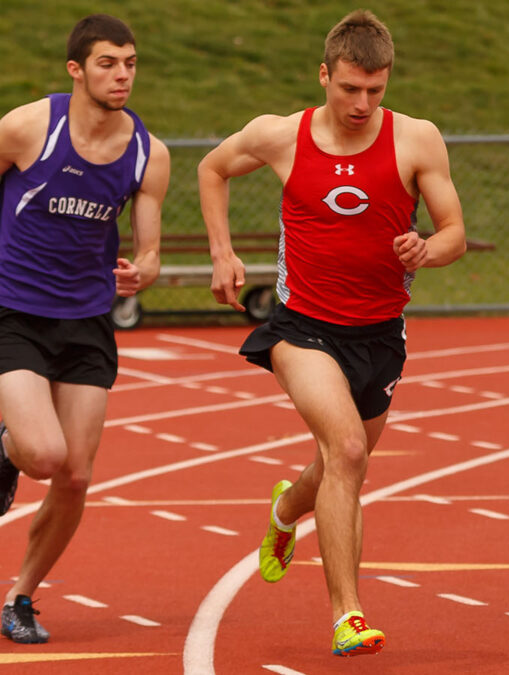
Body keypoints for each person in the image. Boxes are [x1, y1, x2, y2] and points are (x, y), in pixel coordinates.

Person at [198, 9, 466, 656]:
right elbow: (212, 169)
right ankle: (348, 614)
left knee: (340, 462)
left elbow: (454, 229)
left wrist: (428, 250)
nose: (362, 103)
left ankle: (285, 510)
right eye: (350, 88)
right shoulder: (280, 136)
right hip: (303, 328)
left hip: (380, 335)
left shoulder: (417, 140)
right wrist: (222, 253)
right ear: (325, 75)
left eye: (376, 90)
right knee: (347, 449)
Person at [0, 14, 168, 645]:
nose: (121, 75)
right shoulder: (29, 127)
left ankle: (21, 594)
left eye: (129, 63)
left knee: (76, 475)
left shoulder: (148, 153)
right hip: (13, 304)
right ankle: (13, 442)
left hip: (87, 315)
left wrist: (144, 271)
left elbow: (148, 250)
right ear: (76, 69)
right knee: (45, 455)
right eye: (107, 63)